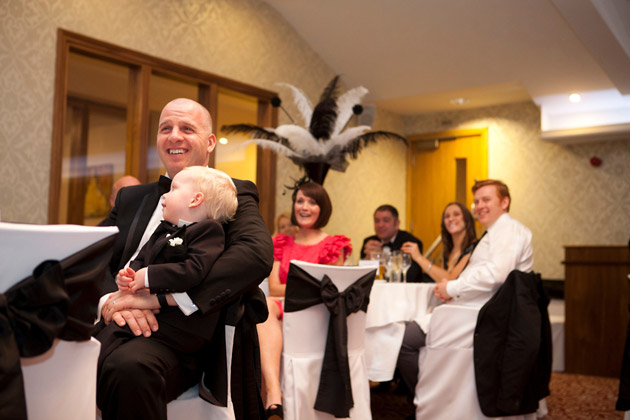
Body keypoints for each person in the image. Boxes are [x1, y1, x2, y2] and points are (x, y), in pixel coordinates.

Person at [97, 98, 273, 420]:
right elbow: (90, 255)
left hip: (182, 333)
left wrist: (161, 300)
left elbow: (254, 256)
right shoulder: (131, 198)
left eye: (186, 128)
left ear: (209, 143)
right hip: (117, 315)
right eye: (166, 128)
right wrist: (114, 299)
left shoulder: (231, 192)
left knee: (128, 369)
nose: (174, 136)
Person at [396, 179, 533, 397]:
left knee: (402, 339)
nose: (479, 206)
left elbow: (497, 274)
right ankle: (432, 397)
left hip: (480, 315)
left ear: (505, 202)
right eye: (476, 201)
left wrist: (452, 288)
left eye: (486, 200)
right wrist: (454, 290)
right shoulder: (495, 232)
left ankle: (429, 400)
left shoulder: (508, 230)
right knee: (407, 329)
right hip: (474, 308)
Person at [96, 165, 238, 369]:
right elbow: (142, 256)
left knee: (109, 338)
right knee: (101, 331)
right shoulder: (163, 229)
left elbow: (193, 270)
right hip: (151, 314)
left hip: (180, 325)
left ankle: (85, 380)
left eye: (173, 189)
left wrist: (148, 276)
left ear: (195, 200)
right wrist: (129, 275)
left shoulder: (208, 232)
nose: (164, 195)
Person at [258, 181, 352, 419]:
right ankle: (274, 396)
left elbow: (330, 292)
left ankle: (270, 398)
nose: (304, 207)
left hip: (315, 314)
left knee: (268, 312)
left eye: (312, 202)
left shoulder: (333, 245)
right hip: (280, 309)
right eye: (300, 201)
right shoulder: (281, 242)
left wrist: (297, 290)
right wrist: (308, 286)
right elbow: (273, 286)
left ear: (323, 208)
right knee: (264, 305)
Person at [400, 202, 477, 283]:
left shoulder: (474, 248)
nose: (451, 219)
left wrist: (419, 258)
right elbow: (442, 279)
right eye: (447, 216)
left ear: (467, 219)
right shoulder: (447, 250)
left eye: (456, 214)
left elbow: (451, 280)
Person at [360, 205, 424, 282]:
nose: (380, 225)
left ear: (397, 224)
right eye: (377, 221)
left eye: (386, 220)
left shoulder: (410, 242)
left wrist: (383, 257)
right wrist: (367, 258)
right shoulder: (369, 242)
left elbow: (410, 276)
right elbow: (361, 279)